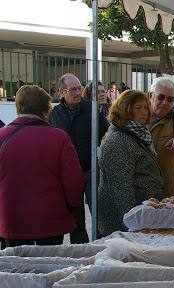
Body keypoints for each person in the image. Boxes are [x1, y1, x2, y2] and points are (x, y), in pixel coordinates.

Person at [0, 85, 83, 248]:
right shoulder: (59, 138)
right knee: (50, 266)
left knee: (16, 268)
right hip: (51, 218)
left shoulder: (2, 136)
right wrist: (71, 207)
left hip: (11, 218)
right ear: (47, 108)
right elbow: (74, 181)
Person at [49, 73, 109, 243]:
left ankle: (100, 247)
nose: (77, 92)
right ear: (62, 93)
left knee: (98, 214)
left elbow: (106, 134)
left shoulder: (91, 110)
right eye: (73, 89)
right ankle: (80, 251)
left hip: (90, 170)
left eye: (79, 88)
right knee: (76, 219)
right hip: (68, 175)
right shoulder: (55, 114)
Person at [98, 90, 164, 236]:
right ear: (126, 110)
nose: (144, 112)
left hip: (142, 213)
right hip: (124, 224)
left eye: (146, 107)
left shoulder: (139, 134)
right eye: (138, 108)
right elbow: (121, 189)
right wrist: (134, 224)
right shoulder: (119, 140)